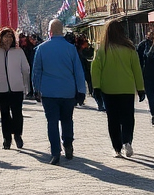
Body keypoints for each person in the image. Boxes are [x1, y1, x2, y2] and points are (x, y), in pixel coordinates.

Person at [31, 19, 87, 165]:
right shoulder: (71, 49)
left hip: (49, 92)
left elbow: (36, 72)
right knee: (67, 119)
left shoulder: (41, 49)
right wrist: (81, 90)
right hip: (68, 92)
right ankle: (68, 143)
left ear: (49, 31)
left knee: (52, 122)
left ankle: (55, 152)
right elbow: (78, 72)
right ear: (61, 31)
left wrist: (36, 89)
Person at [91, 19, 146, 158]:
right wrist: (140, 88)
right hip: (127, 88)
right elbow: (136, 69)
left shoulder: (102, 48)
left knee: (113, 120)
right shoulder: (130, 48)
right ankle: (127, 141)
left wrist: (96, 87)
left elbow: (96, 69)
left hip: (108, 89)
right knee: (128, 117)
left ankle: (117, 148)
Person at [0, 27, 31, 149]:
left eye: (10, 36)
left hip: (16, 88)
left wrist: (25, 84)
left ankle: (17, 135)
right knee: (4, 114)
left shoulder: (18, 51)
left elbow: (26, 69)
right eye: (6, 36)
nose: (8, 39)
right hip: (1, 88)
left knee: (17, 113)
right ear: (1, 38)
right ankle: (7, 138)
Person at [78, 37, 98, 109]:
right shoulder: (81, 52)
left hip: (84, 69)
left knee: (87, 81)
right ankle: (85, 95)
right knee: (87, 81)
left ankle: (88, 93)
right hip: (84, 69)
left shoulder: (81, 51)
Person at [21, 34, 39, 101]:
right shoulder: (27, 47)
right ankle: (31, 92)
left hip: (31, 64)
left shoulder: (31, 47)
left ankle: (32, 92)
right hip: (29, 64)